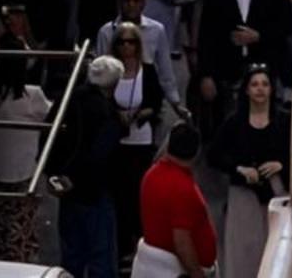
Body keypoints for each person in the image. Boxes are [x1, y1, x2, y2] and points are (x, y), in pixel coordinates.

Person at [208, 64, 290, 278]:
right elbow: (213, 155)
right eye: (254, 85)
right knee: (244, 248)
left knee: (275, 246)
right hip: (243, 194)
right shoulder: (234, 123)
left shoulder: (284, 121)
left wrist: (281, 165)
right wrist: (239, 169)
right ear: (246, 90)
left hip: (276, 192)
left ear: (272, 89)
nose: (260, 89)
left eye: (265, 84)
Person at [46, 53, 123, 278]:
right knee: (101, 257)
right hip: (94, 192)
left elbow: (48, 135)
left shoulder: (67, 100)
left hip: (67, 190)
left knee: (72, 256)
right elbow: (99, 155)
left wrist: (53, 174)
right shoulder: (107, 114)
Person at [0, 45, 54, 263]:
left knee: (0, 220)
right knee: (21, 222)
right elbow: (49, 115)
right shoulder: (32, 96)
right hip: (23, 171)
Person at [109, 22, 166, 263]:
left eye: (131, 41)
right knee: (120, 194)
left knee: (139, 193)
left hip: (141, 140)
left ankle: (140, 244)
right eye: (121, 42)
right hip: (118, 142)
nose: (126, 47)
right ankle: (122, 246)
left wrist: (143, 114)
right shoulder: (112, 71)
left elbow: (156, 100)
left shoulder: (148, 71)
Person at [132, 123, 217, 278]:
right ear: (197, 152)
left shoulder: (152, 174)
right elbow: (182, 242)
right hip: (171, 270)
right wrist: (196, 273)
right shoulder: (182, 187)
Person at [96, 0, 184, 109]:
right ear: (120, 2)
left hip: (148, 94)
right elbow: (101, 71)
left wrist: (175, 102)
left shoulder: (157, 30)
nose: (131, 5)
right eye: (127, 0)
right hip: (114, 96)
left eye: (136, 1)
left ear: (143, 3)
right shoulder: (106, 32)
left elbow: (165, 71)